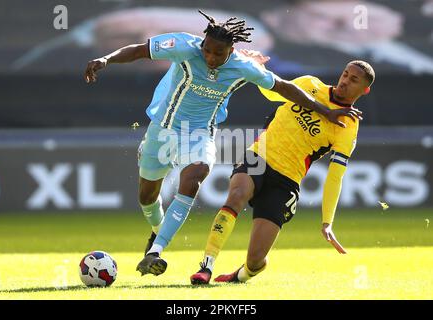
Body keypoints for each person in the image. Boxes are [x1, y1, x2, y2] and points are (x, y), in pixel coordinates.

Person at [85, 10, 362, 277]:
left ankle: (155, 252)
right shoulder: (183, 45)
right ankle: (158, 230)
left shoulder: (242, 66)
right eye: (207, 50)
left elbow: (282, 86)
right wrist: (106, 60)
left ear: (231, 51)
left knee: (196, 174)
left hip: (200, 134)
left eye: (218, 53)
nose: (210, 57)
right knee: (146, 198)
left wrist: (325, 111)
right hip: (163, 131)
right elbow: (138, 50)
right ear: (202, 43)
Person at [190, 53, 374, 284]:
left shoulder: (348, 126)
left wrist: (327, 222)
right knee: (236, 195)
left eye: (354, 80)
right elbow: (270, 92)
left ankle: (241, 275)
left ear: (364, 90)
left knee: (257, 259)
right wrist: (255, 68)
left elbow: (335, 176)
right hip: (259, 156)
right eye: (345, 74)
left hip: (287, 180)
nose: (345, 81)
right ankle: (206, 266)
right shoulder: (310, 84)